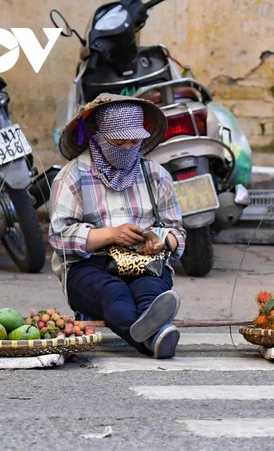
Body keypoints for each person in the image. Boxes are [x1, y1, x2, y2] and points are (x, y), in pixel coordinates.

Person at [49, 93, 186, 359]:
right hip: (89, 267)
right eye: (118, 141)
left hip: (144, 263)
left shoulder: (156, 175)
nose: (127, 148)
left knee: (150, 291)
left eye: (134, 141)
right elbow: (59, 236)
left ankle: (151, 332)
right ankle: (155, 336)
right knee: (115, 294)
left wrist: (162, 240)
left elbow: (177, 232)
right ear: (98, 137)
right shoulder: (72, 177)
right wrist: (111, 234)